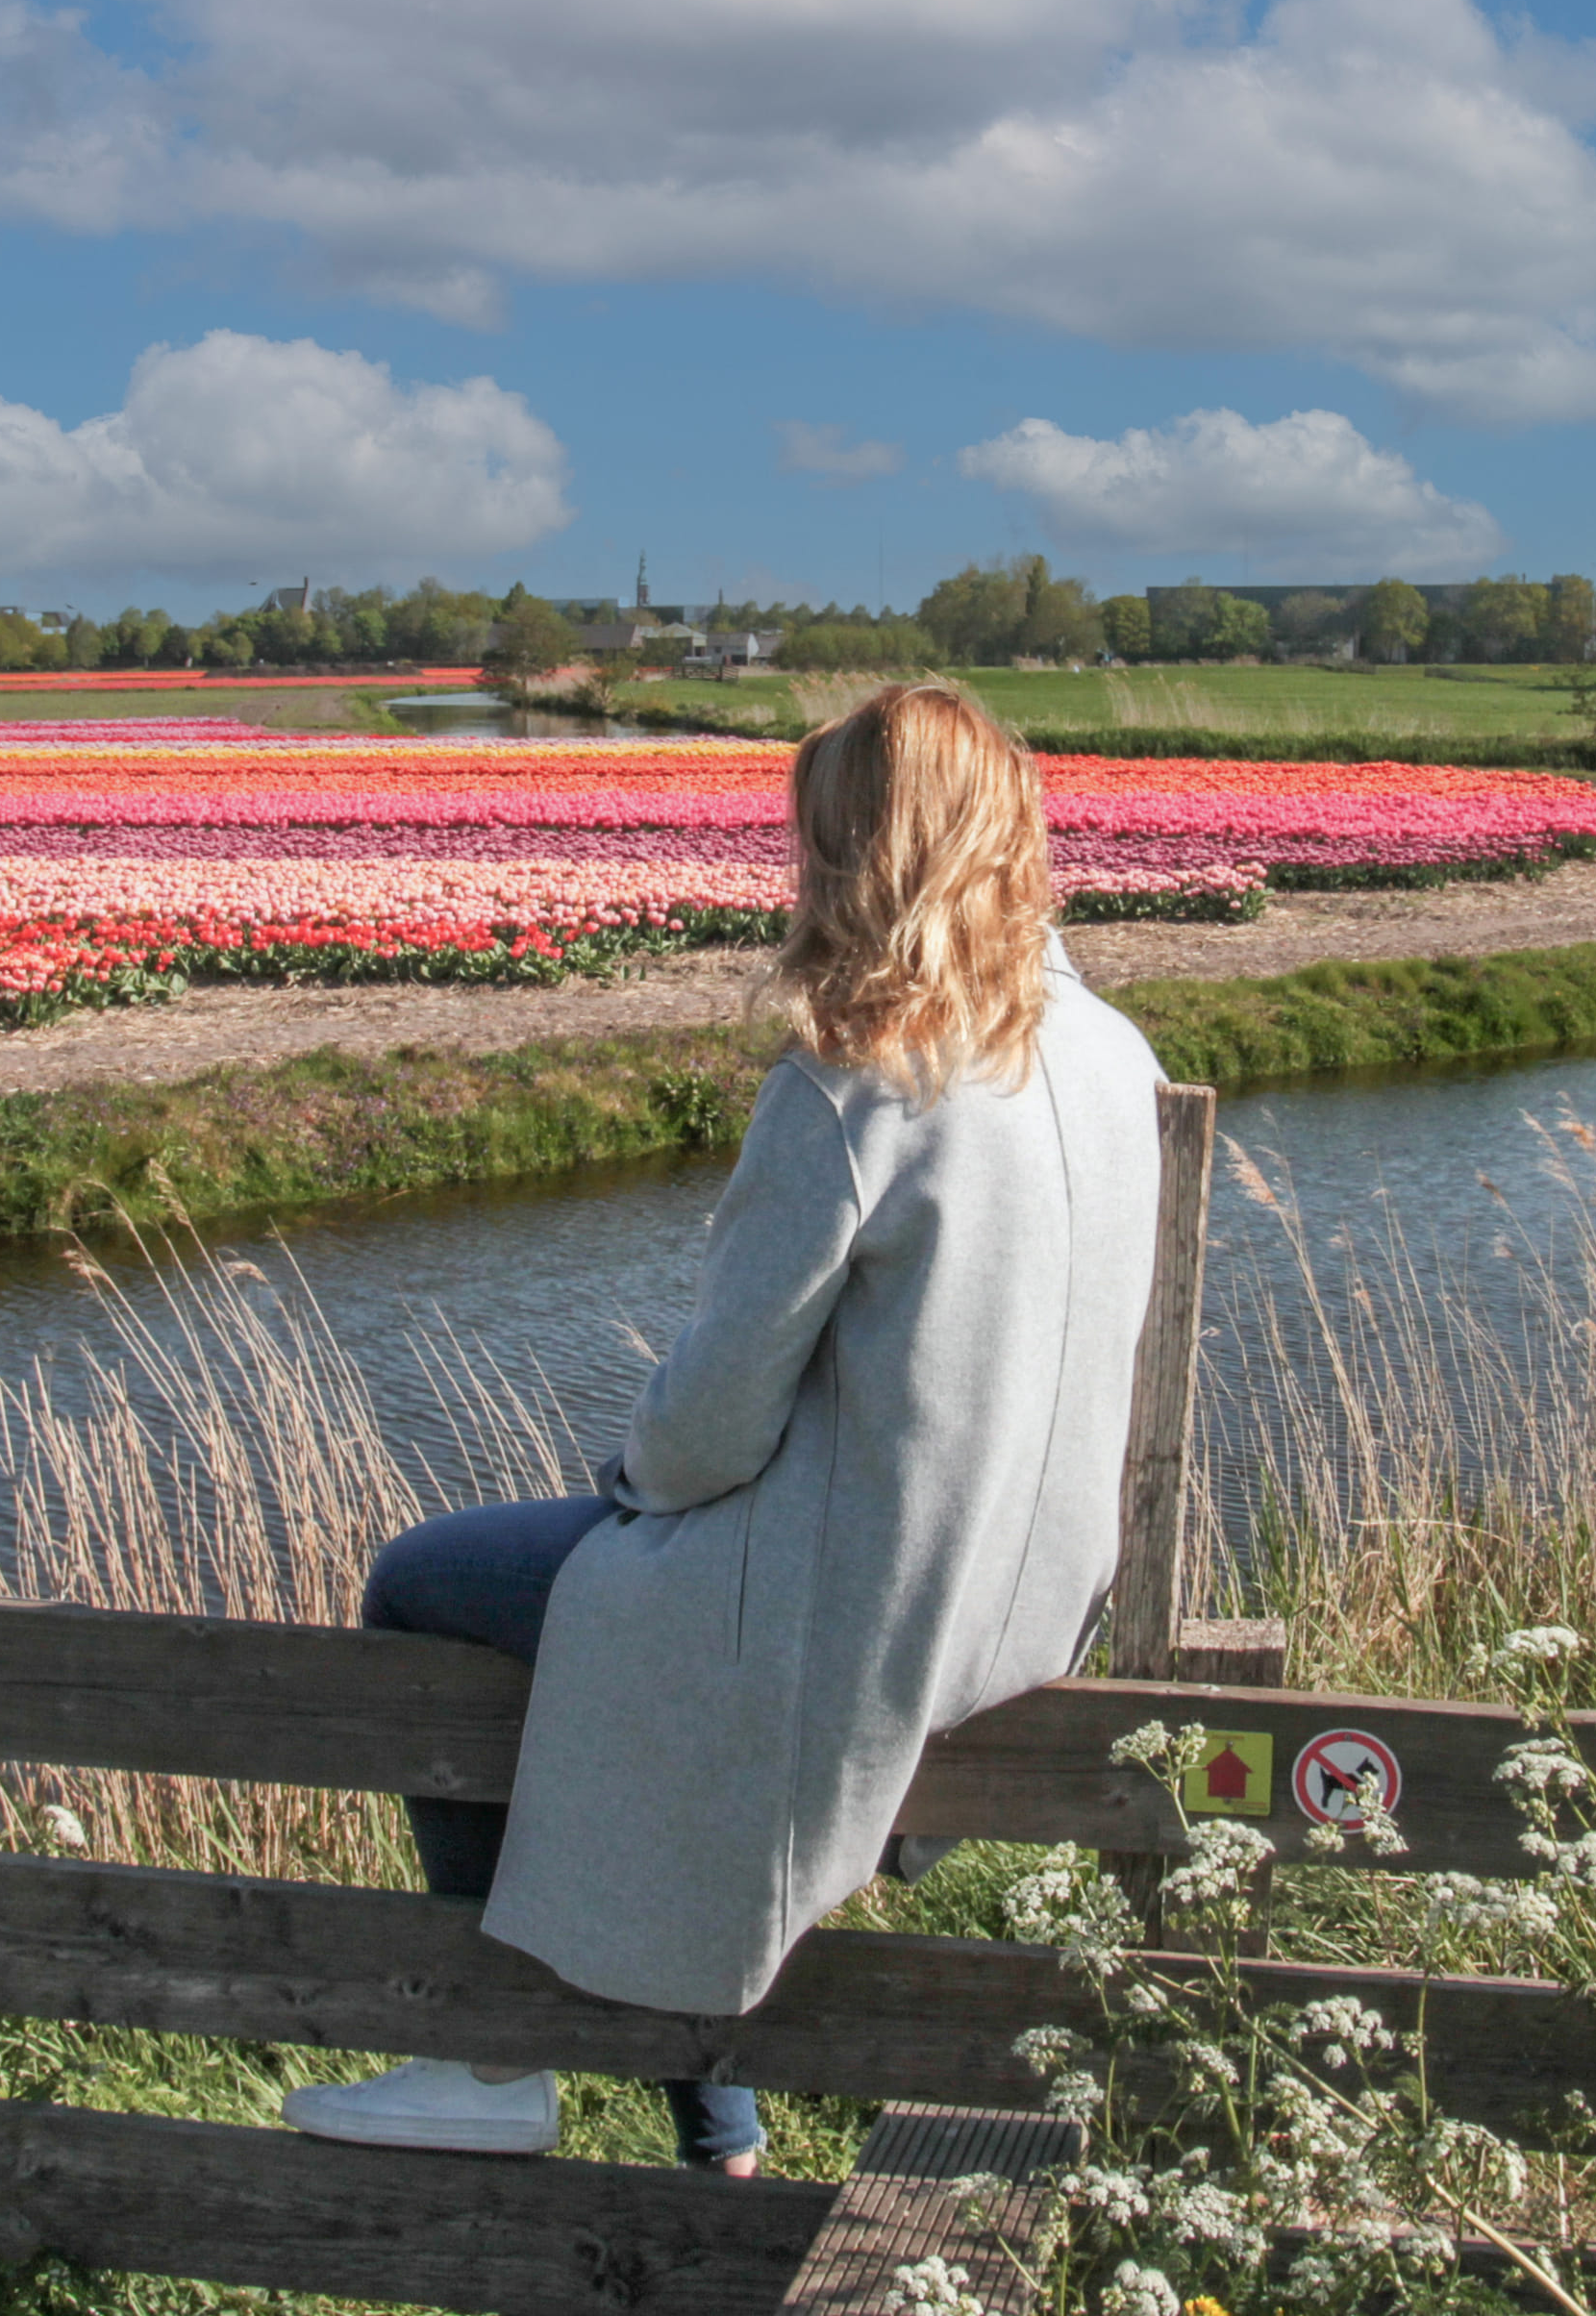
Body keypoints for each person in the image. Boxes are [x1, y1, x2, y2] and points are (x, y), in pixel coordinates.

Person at [279, 679, 1168, 2171]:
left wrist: (629, 1481)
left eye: (817, 846)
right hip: (1027, 1607)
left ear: (867, 860)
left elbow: (708, 1431)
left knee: (430, 1584)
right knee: (624, 1624)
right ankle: (723, 2138)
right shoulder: (1110, 1056)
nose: (800, 878)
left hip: (869, 1614)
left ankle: (493, 2068)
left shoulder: (859, 1088)